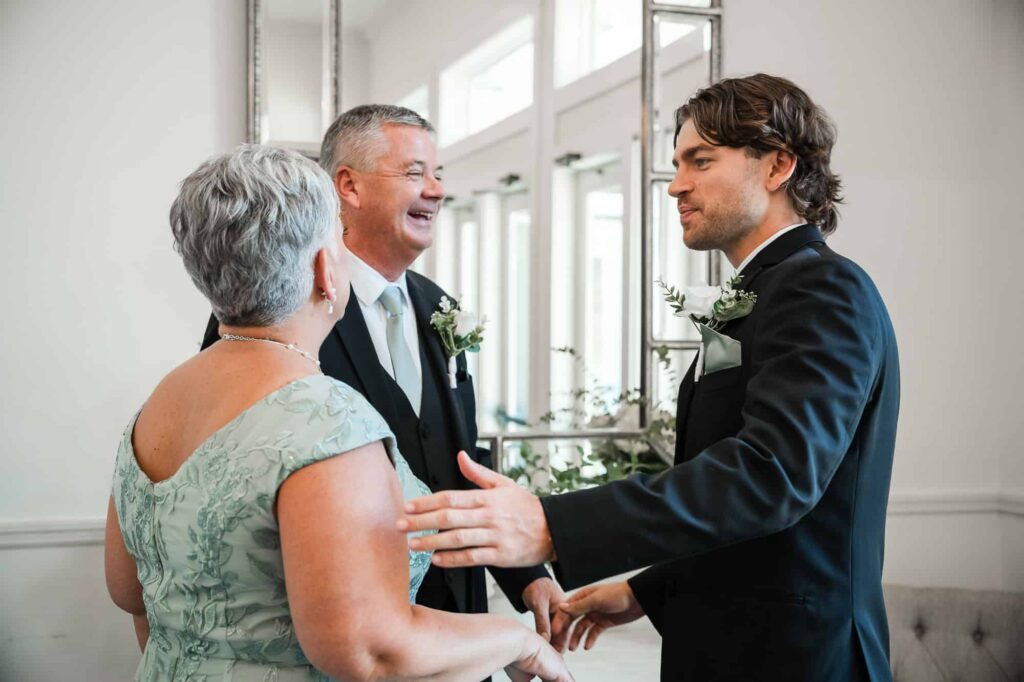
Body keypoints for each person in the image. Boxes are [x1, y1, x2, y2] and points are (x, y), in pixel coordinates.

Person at [400, 74, 900, 682]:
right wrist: (649, 590)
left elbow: (772, 475)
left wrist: (551, 525)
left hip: (795, 658)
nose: (677, 184)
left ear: (778, 167)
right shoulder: (761, 291)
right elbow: (742, 502)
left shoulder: (821, 288)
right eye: (676, 163)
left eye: (701, 161)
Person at [104, 144, 572, 681]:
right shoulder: (326, 419)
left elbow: (131, 594)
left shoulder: (156, 407)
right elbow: (371, 652)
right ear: (326, 268)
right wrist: (518, 642)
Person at [198, 105, 563, 645]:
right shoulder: (278, 307)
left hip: (455, 620)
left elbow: (458, 458)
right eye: (415, 173)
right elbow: (232, 460)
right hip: (344, 622)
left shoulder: (439, 306)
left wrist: (527, 576)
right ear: (349, 186)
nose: (436, 191)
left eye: (438, 175)